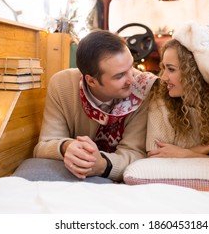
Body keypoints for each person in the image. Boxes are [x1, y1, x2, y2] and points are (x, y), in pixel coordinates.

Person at [13, 29, 157, 183]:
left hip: (115, 178)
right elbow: (43, 146)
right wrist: (67, 147)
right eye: (120, 76)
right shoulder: (62, 84)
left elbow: (136, 154)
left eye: (131, 67)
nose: (132, 80)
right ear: (91, 81)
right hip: (71, 174)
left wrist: (102, 165)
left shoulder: (144, 89)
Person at [146, 20, 209, 163]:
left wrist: (183, 154)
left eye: (171, 69)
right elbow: (156, 158)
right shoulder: (160, 102)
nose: (163, 78)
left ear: (194, 73)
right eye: (164, 68)